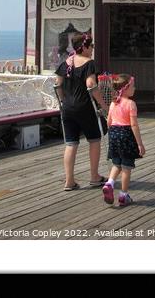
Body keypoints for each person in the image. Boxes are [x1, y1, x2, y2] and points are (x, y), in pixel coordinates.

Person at [54, 33, 109, 191]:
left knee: (71, 144)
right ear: (84, 47)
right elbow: (91, 85)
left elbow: (58, 85)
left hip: (68, 108)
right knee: (94, 140)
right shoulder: (89, 63)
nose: (92, 49)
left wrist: (64, 101)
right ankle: (94, 177)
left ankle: (69, 181)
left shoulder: (65, 63)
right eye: (91, 46)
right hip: (85, 107)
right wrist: (105, 106)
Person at [102, 74, 145, 207]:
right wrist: (139, 144)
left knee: (116, 164)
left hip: (114, 134)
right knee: (126, 168)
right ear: (125, 89)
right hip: (126, 134)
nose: (135, 88)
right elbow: (134, 125)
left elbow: (108, 122)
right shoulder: (131, 104)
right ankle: (123, 195)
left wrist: (113, 134)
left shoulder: (113, 103)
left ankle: (109, 183)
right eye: (132, 86)